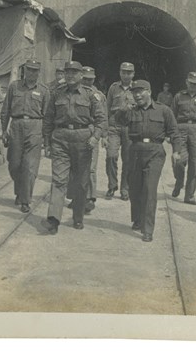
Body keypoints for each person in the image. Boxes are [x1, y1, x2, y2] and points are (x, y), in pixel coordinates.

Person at [42, 61, 107, 233]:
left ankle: (78, 217)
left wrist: (95, 137)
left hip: (83, 141)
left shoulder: (91, 95)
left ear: (81, 75)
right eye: (67, 72)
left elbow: (101, 120)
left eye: (74, 72)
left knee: (81, 182)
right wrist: (47, 143)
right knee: (58, 180)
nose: (70, 75)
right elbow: (48, 119)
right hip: (60, 140)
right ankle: (53, 219)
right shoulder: (56, 94)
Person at [116, 80, 183, 242]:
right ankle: (138, 219)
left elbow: (174, 132)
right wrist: (123, 109)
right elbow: (118, 120)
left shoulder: (163, 110)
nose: (137, 95)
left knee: (149, 188)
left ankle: (147, 229)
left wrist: (176, 151)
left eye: (140, 92)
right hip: (135, 151)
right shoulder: (131, 111)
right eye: (134, 92)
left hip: (155, 152)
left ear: (149, 92)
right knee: (135, 188)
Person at [0, 59, 49, 213]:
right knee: (14, 164)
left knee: (29, 166)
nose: (32, 73)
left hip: (35, 127)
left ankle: (25, 200)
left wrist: (46, 138)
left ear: (38, 72)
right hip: (16, 126)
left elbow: (48, 116)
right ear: (25, 70)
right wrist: (3, 130)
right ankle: (20, 191)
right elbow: (5, 110)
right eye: (29, 69)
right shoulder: (14, 87)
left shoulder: (44, 90)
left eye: (35, 70)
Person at [65, 66, 107, 214]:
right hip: (76, 134)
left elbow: (103, 117)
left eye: (91, 79)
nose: (88, 82)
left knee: (90, 168)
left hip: (92, 133)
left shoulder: (98, 96)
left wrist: (103, 136)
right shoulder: (72, 93)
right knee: (74, 167)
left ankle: (89, 198)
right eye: (86, 79)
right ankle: (75, 197)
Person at [170, 72, 196, 205]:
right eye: (191, 83)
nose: (193, 86)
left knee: (195, 165)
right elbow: (171, 115)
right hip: (181, 129)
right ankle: (179, 181)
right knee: (178, 160)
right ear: (186, 82)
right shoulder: (178, 96)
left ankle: (189, 195)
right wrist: (171, 133)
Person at [105, 61, 136, 201]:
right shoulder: (113, 88)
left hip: (130, 127)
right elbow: (107, 108)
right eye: (123, 72)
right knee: (111, 155)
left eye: (129, 73)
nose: (126, 75)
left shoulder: (137, 88)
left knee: (128, 160)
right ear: (120, 73)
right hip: (114, 126)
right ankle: (112, 185)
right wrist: (104, 130)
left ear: (133, 74)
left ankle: (125, 189)